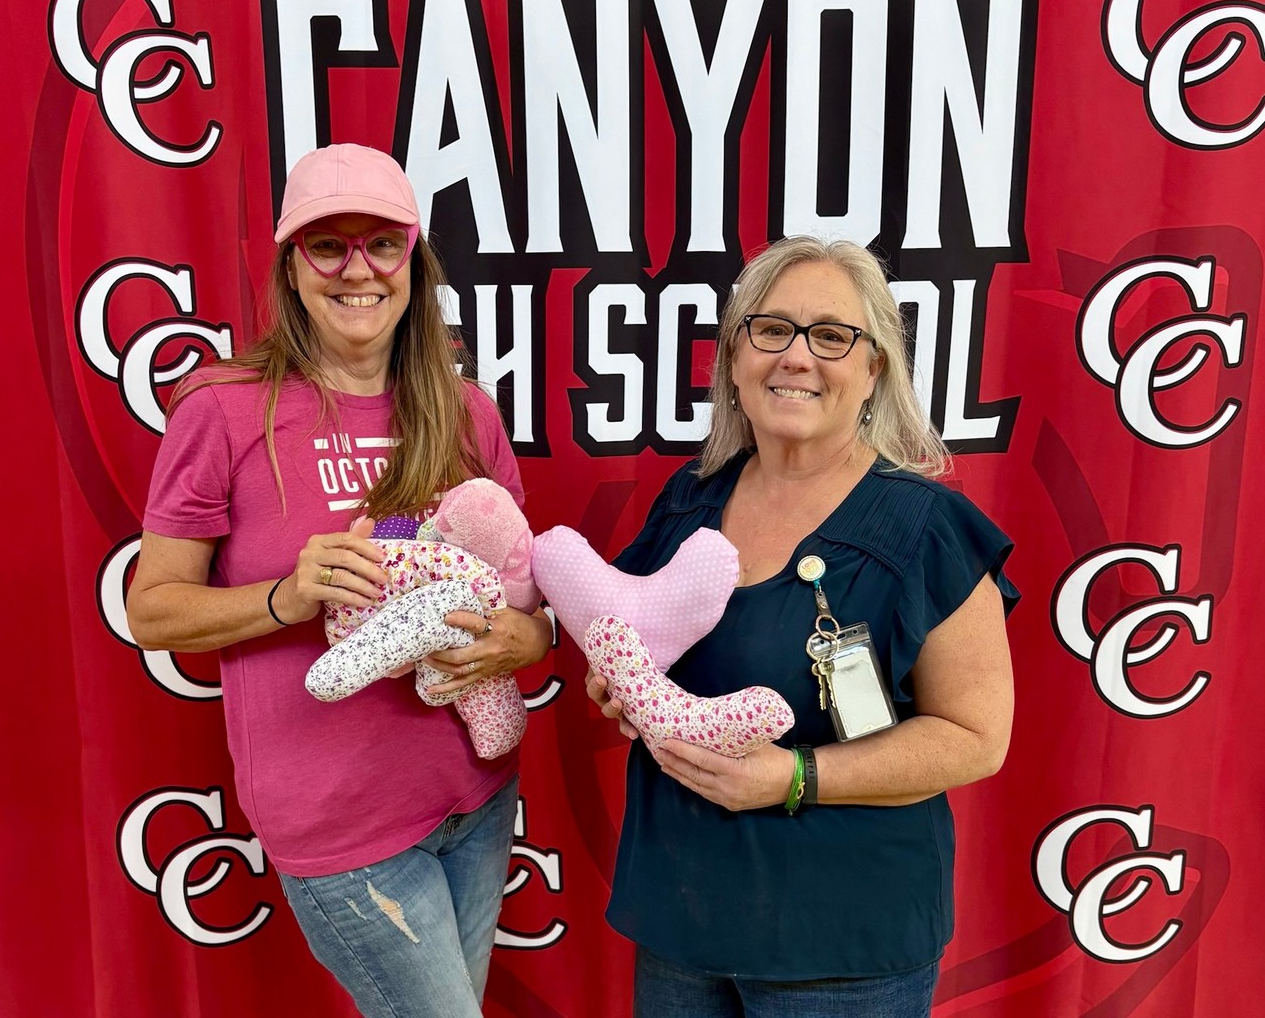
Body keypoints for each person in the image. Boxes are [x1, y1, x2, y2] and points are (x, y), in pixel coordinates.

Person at [126, 143, 553, 1017]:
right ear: (292, 265)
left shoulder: (466, 410)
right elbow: (153, 609)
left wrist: (530, 636)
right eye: (328, 245)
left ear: (413, 261)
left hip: (474, 797)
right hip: (342, 831)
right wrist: (290, 594)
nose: (357, 269)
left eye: (381, 245)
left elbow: (523, 588)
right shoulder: (222, 409)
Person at [586, 236, 1018, 1018]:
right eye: (771, 329)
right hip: (682, 923)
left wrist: (795, 777)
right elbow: (628, 631)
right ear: (733, 355)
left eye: (831, 336)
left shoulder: (929, 530)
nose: (796, 357)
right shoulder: (691, 499)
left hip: (844, 948)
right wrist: (616, 682)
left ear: (874, 369)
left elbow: (976, 736)